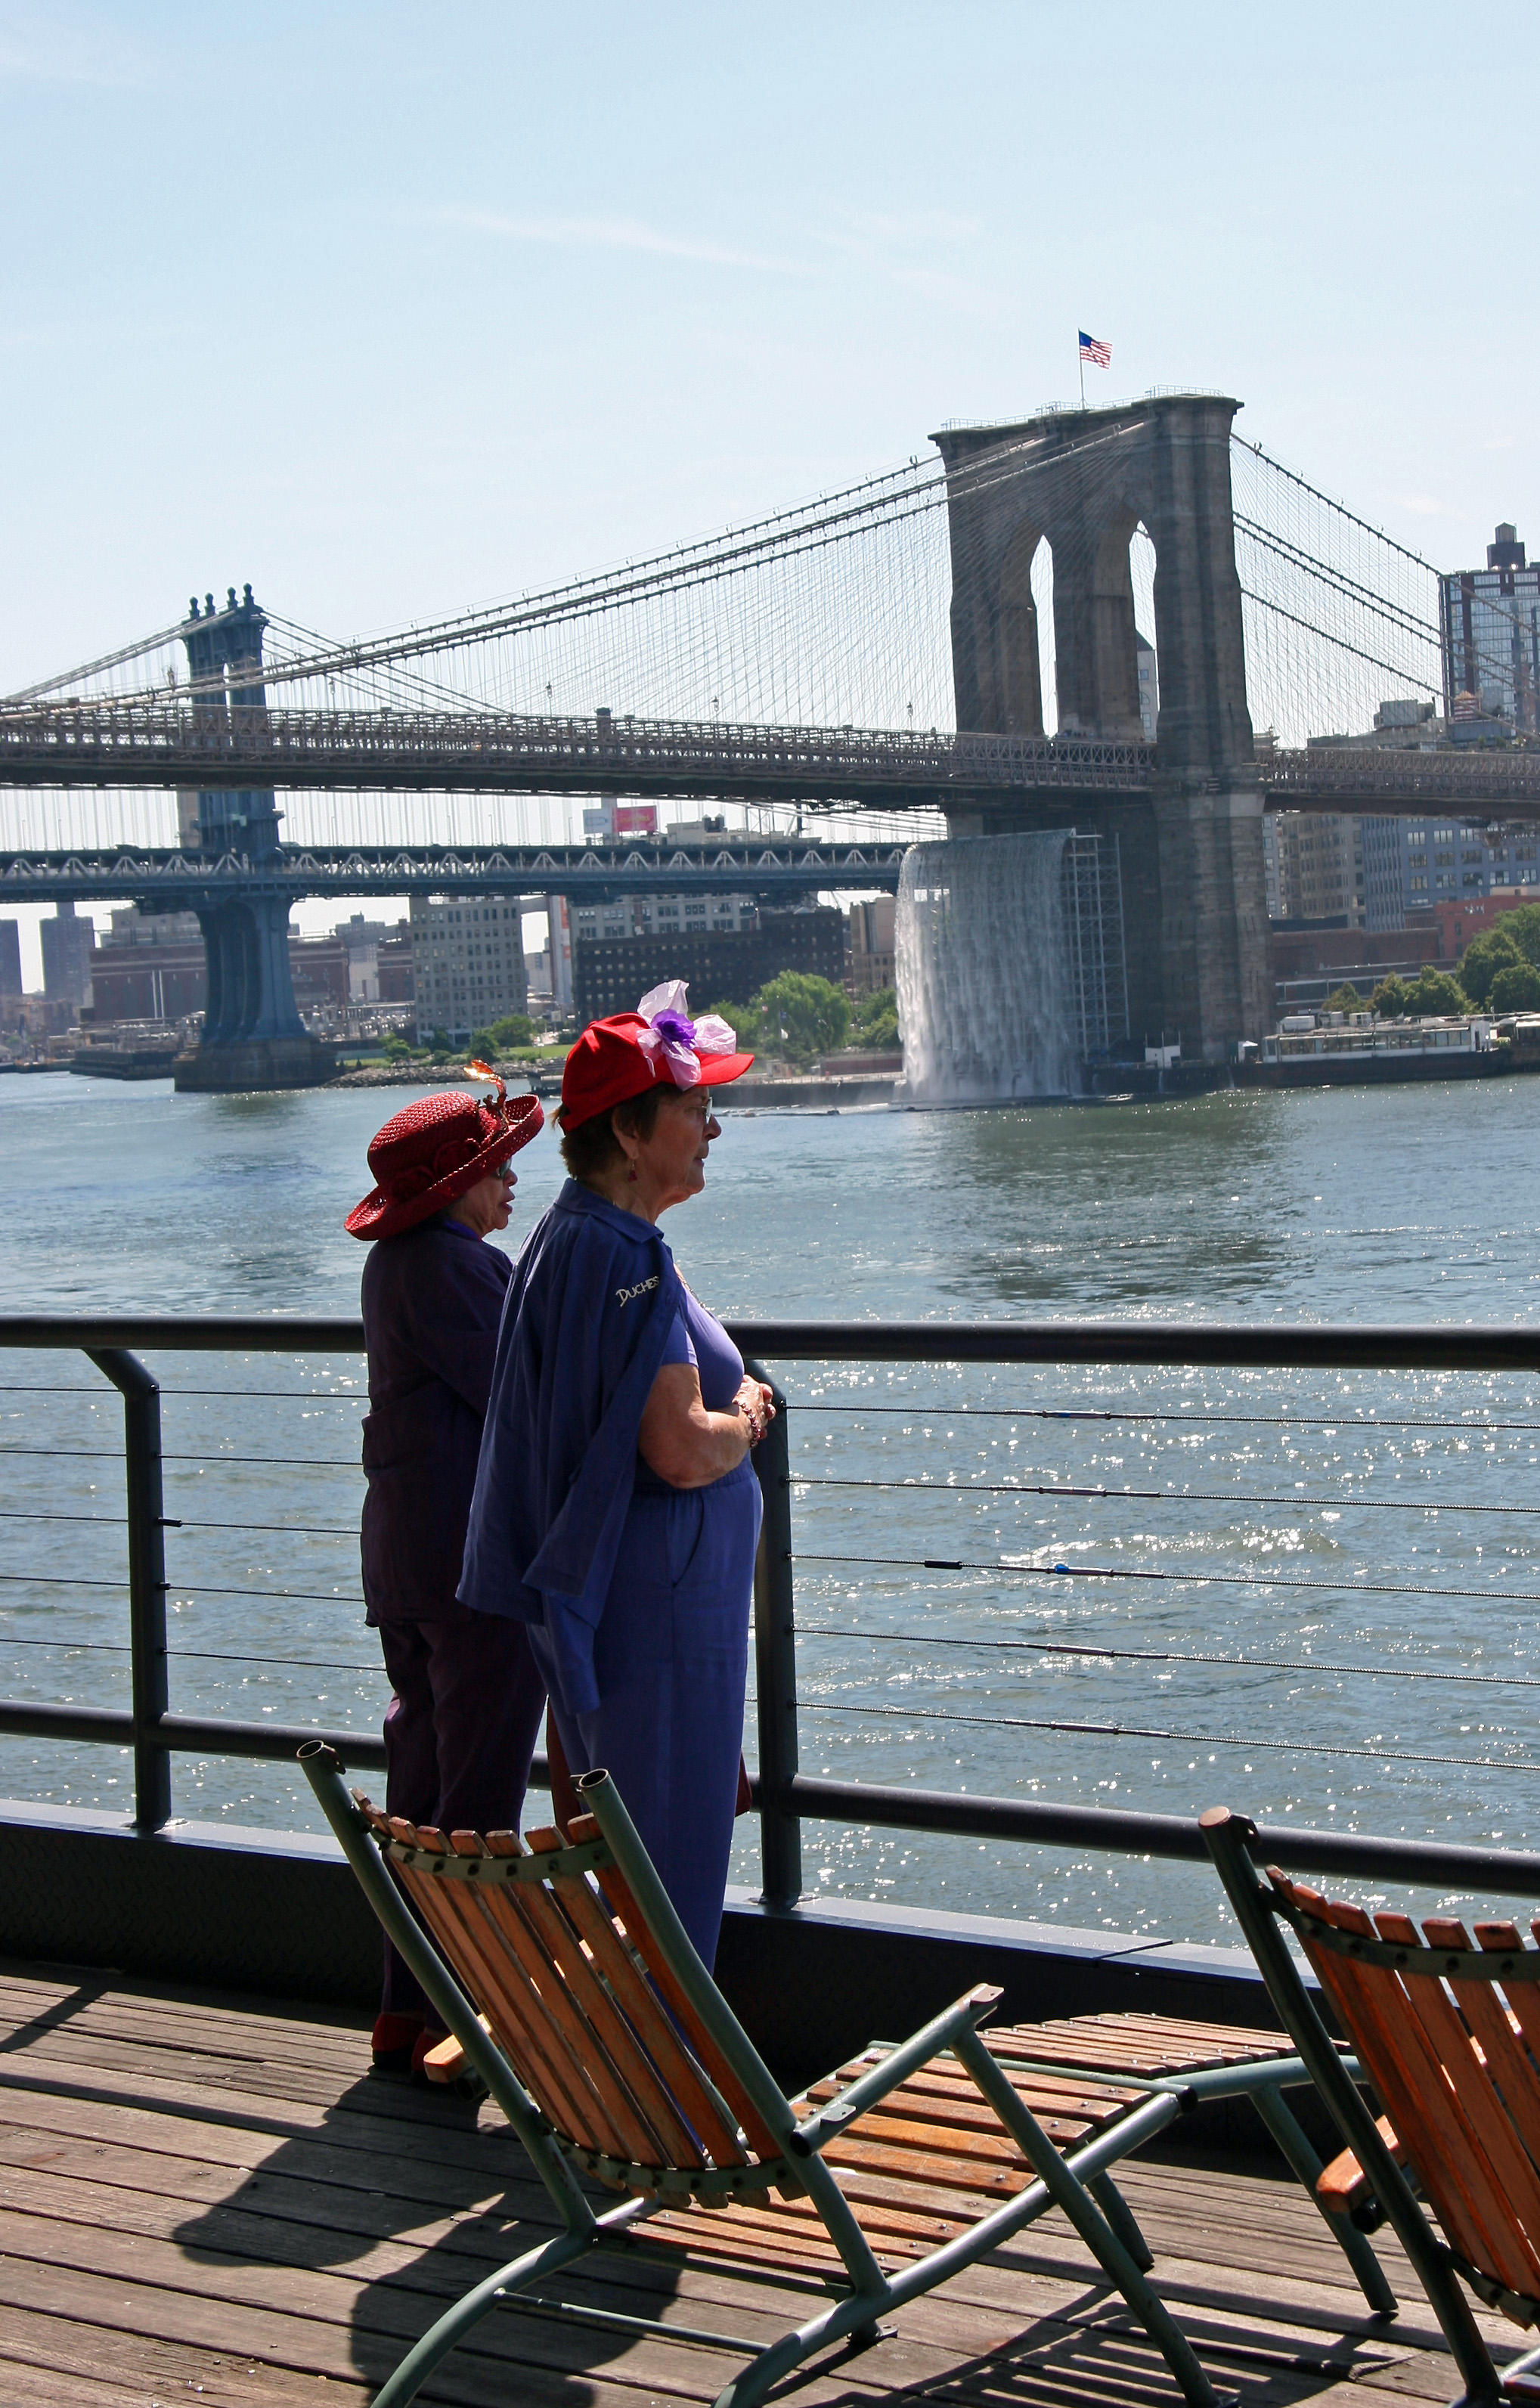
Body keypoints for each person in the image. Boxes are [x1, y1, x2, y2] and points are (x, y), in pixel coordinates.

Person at [460, 984, 774, 1969]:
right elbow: (678, 1445)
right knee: (671, 1863)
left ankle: (630, 2079)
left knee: (638, 1848)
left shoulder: (590, 1238)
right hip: (664, 1607)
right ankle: (669, 2099)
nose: (714, 1127)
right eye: (695, 1109)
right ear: (632, 1136)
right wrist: (748, 1418)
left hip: (632, 1596)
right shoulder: (618, 1253)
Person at [346, 1068, 547, 2072]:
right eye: (494, 1164)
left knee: (422, 1790)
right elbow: (532, 1391)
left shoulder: (395, 1266)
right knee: (477, 1799)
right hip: (472, 1573)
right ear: (453, 1185)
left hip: (406, 1562)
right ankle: (463, 2026)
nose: (512, 1177)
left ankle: (406, 2010)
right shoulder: (455, 1266)